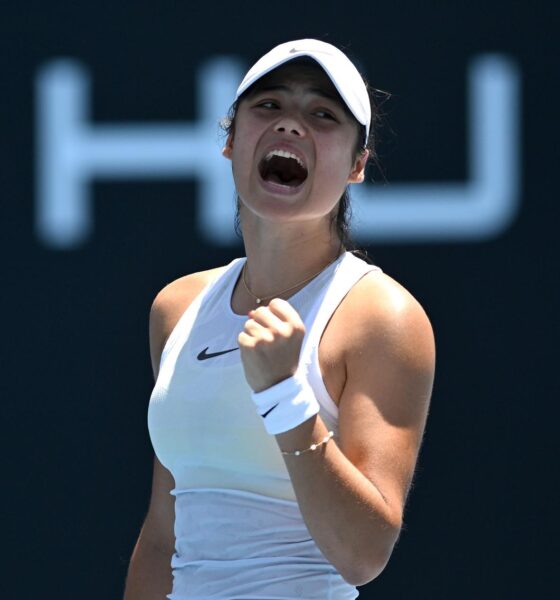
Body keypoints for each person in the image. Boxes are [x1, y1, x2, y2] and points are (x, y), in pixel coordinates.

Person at [124, 39, 435, 600]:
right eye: (269, 106)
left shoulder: (382, 317)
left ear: (358, 164)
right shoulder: (177, 307)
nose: (291, 125)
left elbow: (363, 555)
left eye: (322, 114)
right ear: (231, 139)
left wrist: (285, 398)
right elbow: (163, 538)